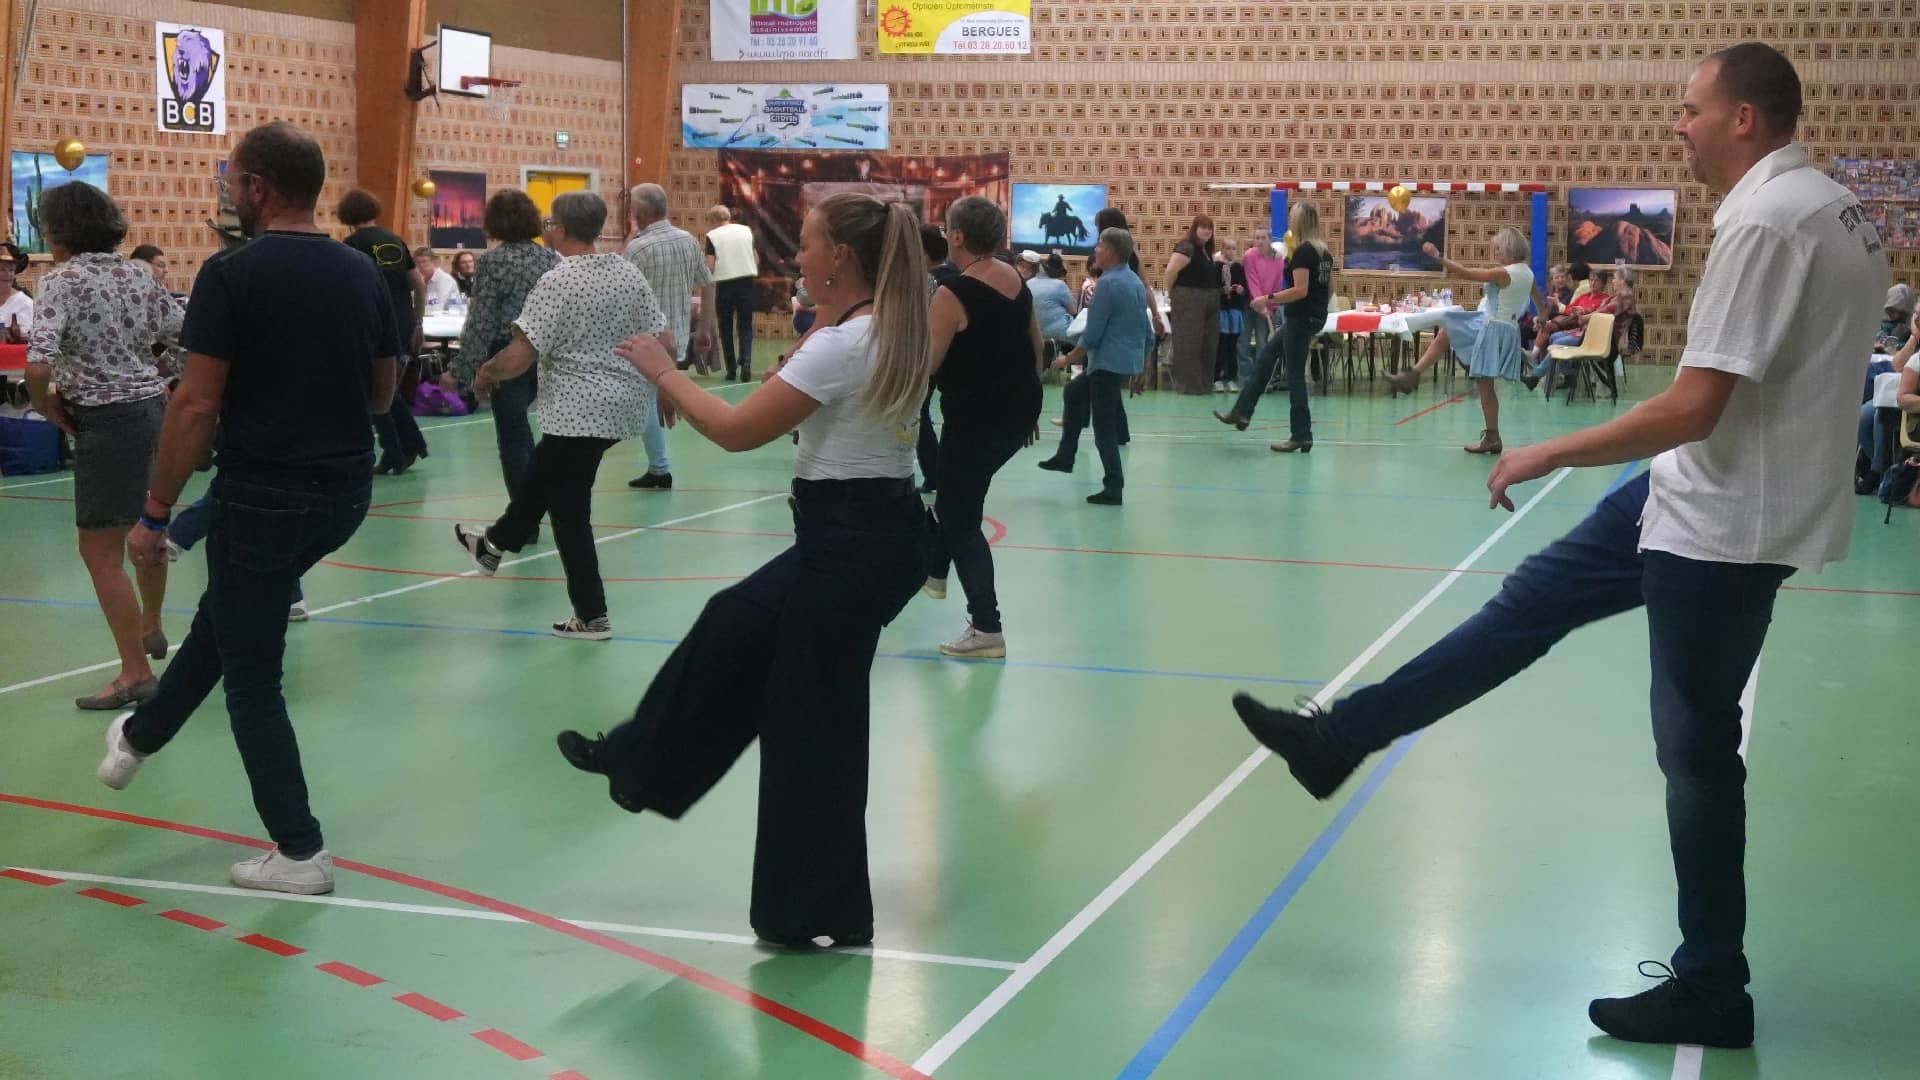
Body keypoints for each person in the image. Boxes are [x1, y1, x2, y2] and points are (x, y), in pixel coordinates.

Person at [1231, 43, 1888, 1050]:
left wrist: (1548, 452)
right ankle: (1338, 739)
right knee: (1524, 609)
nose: (1680, 125)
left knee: (1697, 749)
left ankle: (1715, 984)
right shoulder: (1833, 205)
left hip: (1724, 525)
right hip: (1696, 499)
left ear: (1745, 119)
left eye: (1692, 109)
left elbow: (1694, 404)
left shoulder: (1766, 219)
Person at [558, 192, 932, 948]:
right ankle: (639, 762)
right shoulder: (877, 324)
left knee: (810, 724)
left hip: (852, 538)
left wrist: (664, 371)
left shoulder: (844, 343)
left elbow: (734, 430)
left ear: (843, 259)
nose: (798, 255)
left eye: (810, 243)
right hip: (872, 535)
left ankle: (817, 915)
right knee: (736, 622)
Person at [99, 121, 403, 896]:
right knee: (229, 616)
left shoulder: (230, 274)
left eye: (233, 179)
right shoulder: (361, 270)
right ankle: (137, 739)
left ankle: (299, 852)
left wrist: (157, 512)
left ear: (257, 188)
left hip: (265, 492)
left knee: (254, 679)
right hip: (345, 490)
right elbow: (383, 391)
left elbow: (196, 404)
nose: (230, 192)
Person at [452, 192, 664, 640]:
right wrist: (667, 386)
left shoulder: (559, 279)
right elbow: (662, 335)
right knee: (547, 478)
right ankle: (491, 545)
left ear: (560, 230)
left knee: (568, 509)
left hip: (576, 411)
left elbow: (520, 355)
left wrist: (485, 373)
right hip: (622, 405)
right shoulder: (627, 271)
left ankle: (592, 616)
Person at [23, 182, 182, 710]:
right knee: (147, 524)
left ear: (55, 228)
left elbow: (39, 363)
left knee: (99, 548)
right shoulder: (137, 272)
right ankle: (152, 623)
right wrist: (159, 371)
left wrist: (47, 405)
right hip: (151, 409)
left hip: (104, 418)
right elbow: (185, 331)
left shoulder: (59, 282)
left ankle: (135, 672)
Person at [922, 196, 1044, 658]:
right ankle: (933, 572)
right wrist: (1028, 409)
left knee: (959, 517)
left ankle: (987, 627)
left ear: (956, 236)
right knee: (957, 499)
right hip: (1015, 412)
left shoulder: (951, 293)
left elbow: (927, 369)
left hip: (975, 418)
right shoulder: (1016, 278)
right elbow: (1036, 345)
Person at [442, 191, 559, 524]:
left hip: (507, 353)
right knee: (531, 435)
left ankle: (524, 518)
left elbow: (482, 320)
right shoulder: (551, 258)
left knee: (512, 435)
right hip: (546, 355)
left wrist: (459, 371)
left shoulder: (493, 262)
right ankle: (536, 506)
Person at [1385, 227, 1539, 454]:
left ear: (1508, 249)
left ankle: (1492, 437)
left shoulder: (1503, 273)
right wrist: (1543, 318)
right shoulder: (1527, 273)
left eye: (1498, 249)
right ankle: (1413, 376)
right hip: (1503, 328)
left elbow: (1465, 273)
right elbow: (1540, 300)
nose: (1495, 253)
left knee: (1484, 385)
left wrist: (1438, 256)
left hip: (1492, 329)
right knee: (1449, 331)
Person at [1039, 227, 1151, 504]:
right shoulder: (1134, 281)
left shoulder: (1108, 284)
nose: (1095, 251)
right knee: (1074, 392)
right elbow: (1146, 330)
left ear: (1111, 252)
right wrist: (1143, 366)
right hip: (1122, 361)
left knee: (1104, 429)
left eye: (1099, 246)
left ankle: (1113, 487)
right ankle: (1066, 456)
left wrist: (1067, 359)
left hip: (1107, 364)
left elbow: (1093, 334)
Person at [1213, 201, 1333, 453]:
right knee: (1266, 357)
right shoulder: (1324, 252)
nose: (1289, 219)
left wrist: (1268, 298)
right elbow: (1328, 288)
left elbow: (1301, 290)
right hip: (1312, 316)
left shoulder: (1304, 252)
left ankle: (1301, 434)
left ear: (1300, 221)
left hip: (1301, 318)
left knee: (1295, 377)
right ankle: (1241, 412)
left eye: (1292, 216)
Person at [623, 183, 717, 491]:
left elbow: (621, 292)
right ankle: (658, 466)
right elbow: (708, 283)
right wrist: (704, 327)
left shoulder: (638, 248)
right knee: (653, 397)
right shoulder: (687, 240)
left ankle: (660, 468)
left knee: (644, 401)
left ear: (641, 212)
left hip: (645, 338)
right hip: (676, 333)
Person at [338, 189, 429, 474]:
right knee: (387, 386)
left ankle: (397, 450)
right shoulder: (394, 240)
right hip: (400, 323)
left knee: (376, 388)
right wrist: (417, 322)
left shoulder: (351, 245)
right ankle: (408, 445)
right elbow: (418, 284)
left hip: (371, 323)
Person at [1858, 310, 1919, 491]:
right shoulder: (1912, 340)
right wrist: (1915, 337)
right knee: (1865, 415)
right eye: (1916, 314)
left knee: (1880, 415)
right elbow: (1897, 366)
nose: (1916, 318)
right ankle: (1883, 469)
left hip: (1906, 401)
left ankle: (1879, 471)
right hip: (1902, 394)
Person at [1164, 214, 1221, 394]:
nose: (1206, 231)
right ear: (1194, 229)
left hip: (1209, 300)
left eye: (1209, 228)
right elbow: (1170, 272)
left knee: (1208, 343)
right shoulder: (1186, 247)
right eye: (1202, 227)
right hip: (1188, 299)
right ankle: (1189, 386)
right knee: (1189, 344)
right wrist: (1171, 294)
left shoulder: (1207, 251)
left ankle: (1204, 384)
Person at [704, 204, 759, 381]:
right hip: (747, 282)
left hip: (725, 285)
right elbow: (756, 258)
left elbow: (710, 265)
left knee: (726, 327)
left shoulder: (712, 236)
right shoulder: (746, 231)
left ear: (713, 220)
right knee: (745, 325)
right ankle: (747, 360)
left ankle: (731, 369)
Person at [1242, 235, 1286, 388]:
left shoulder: (1279, 259)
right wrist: (1261, 305)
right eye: (1256, 238)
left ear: (1269, 240)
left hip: (1267, 307)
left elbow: (1277, 285)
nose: (1259, 241)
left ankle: (1261, 380)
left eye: (1263, 238)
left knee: (1263, 343)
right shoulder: (1249, 256)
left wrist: (1270, 306)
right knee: (1243, 342)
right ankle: (1247, 378)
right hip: (1251, 305)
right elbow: (1252, 280)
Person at [1214, 246, 1249, 393]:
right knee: (1220, 345)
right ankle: (1217, 378)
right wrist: (1222, 291)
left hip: (1234, 311)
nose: (1231, 251)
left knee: (1232, 346)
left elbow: (1245, 288)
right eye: (1228, 248)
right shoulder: (1217, 267)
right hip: (1222, 310)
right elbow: (1213, 288)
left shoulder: (1239, 268)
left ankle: (1231, 378)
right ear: (1222, 250)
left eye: (1234, 248)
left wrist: (1241, 290)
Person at [0, 242, 33, 343]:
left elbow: (23, 342)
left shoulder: (25, 303)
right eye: (2, 269)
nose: (8, 274)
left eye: (11, 270)